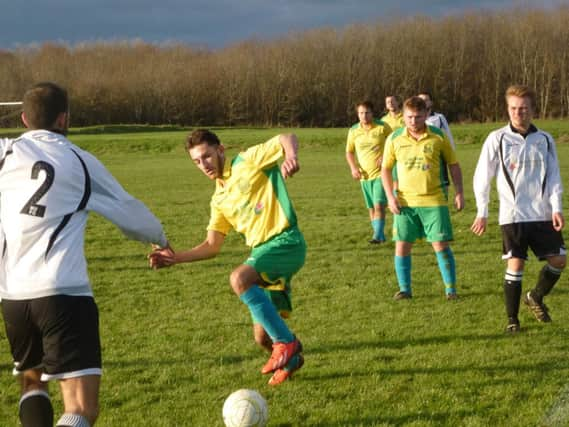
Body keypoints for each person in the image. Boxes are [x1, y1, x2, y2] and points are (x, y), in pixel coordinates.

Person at [0, 82, 169, 427]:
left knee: (32, 382)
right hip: (62, 292)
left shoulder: (4, 152)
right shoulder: (79, 161)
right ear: (64, 119)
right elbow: (130, 213)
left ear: (23, 118)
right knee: (80, 408)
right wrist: (159, 238)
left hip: (13, 296)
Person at [148, 129, 305, 386]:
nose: (204, 165)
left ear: (220, 150)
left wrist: (291, 156)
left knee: (239, 279)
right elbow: (212, 245)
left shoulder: (248, 161)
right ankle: (291, 359)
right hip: (263, 254)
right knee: (262, 339)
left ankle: (288, 344)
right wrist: (175, 258)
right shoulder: (218, 198)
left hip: (286, 241)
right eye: (197, 161)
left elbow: (286, 137)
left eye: (207, 156)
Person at [471, 84, 565, 333]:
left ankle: (535, 296)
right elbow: (483, 176)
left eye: (523, 108)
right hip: (513, 214)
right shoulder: (497, 138)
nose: (518, 113)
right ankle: (512, 320)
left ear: (533, 110)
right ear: (507, 109)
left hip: (542, 212)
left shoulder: (544, 139)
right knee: (516, 265)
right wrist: (483, 211)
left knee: (559, 260)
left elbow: (554, 175)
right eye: (513, 108)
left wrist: (556, 207)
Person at [381, 96, 464, 300]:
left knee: (440, 245)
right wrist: (390, 197)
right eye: (409, 117)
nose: (413, 121)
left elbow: (453, 164)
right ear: (404, 116)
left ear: (426, 115)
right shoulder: (394, 139)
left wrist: (459, 192)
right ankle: (405, 289)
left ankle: (450, 290)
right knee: (402, 245)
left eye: (418, 117)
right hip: (405, 202)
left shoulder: (438, 136)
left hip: (434, 200)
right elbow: (385, 169)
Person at [345, 100, 392, 243]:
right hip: (364, 176)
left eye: (367, 113)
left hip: (380, 174)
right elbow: (349, 152)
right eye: (361, 113)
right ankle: (380, 235)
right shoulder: (353, 130)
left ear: (372, 113)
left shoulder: (382, 127)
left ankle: (376, 236)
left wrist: (384, 156)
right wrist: (353, 168)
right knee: (371, 208)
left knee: (379, 205)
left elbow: (394, 143)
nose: (364, 116)